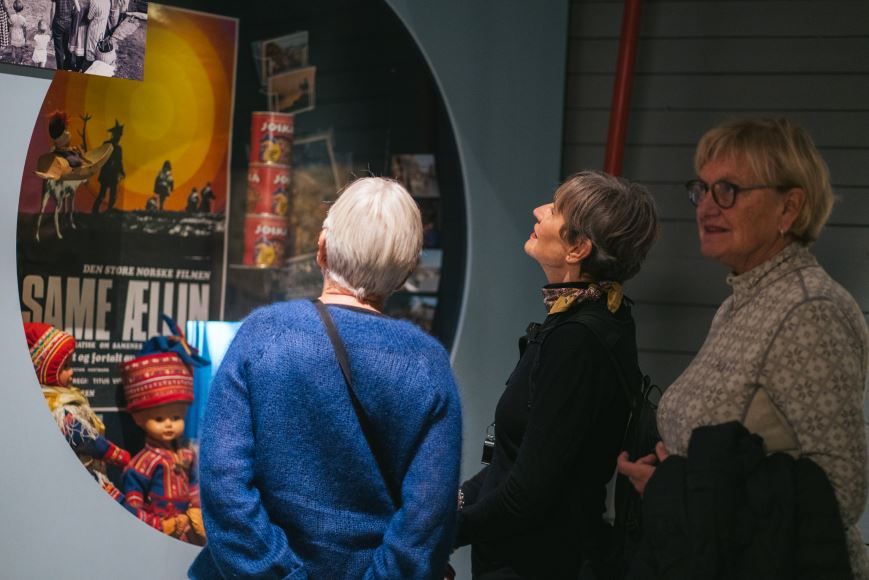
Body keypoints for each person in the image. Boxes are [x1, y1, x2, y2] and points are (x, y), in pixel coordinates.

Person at [617, 118, 869, 578]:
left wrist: (675, 487)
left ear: (789, 208)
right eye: (702, 189)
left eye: (728, 190)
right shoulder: (743, 300)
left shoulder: (811, 310)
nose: (706, 207)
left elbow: (840, 490)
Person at [189, 177, 462, 579]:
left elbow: (223, 484)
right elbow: (428, 520)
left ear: (321, 248)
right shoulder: (429, 365)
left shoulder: (265, 335)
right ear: (404, 273)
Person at [455, 170, 659, 579]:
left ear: (578, 247)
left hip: (538, 563)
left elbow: (526, 495)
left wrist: (441, 532)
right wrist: (455, 502)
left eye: (554, 209)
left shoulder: (577, 341)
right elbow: (509, 466)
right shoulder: (595, 318)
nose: (538, 210)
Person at [24, 323, 131, 503]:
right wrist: (116, 455)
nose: (71, 371)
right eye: (65, 367)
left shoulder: (62, 397)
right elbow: (84, 437)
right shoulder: (56, 407)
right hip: (77, 472)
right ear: (45, 373)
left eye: (70, 364)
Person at [93, 119, 124, 213]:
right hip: (107, 173)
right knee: (102, 193)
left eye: (120, 135)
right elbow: (102, 157)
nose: (119, 137)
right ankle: (95, 211)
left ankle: (109, 211)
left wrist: (122, 171)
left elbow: (119, 161)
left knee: (113, 194)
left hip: (113, 174)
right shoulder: (107, 144)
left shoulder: (118, 148)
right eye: (118, 135)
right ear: (115, 135)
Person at [49, 0, 77, 71]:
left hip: (58, 23)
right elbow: (77, 9)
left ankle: (60, 69)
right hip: (68, 23)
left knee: (58, 50)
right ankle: (67, 67)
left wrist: (51, 25)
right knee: (67, 47)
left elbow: (53, 10)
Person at [8, 0, 25, 65]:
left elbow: (9, 24)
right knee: (20, 50)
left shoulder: (12, 17)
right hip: (20, 35)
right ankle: (20, 62)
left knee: (13, 50)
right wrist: (25, 38)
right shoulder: (23, 19)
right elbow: (24, 28)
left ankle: (13, 61)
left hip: (13, 34)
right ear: (21, 8)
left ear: (14, 8)